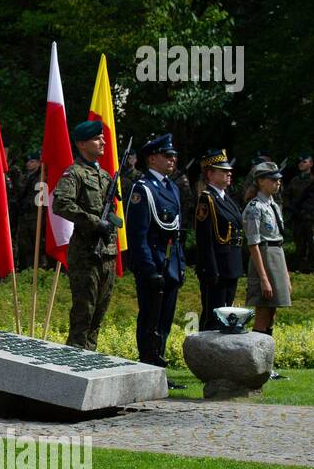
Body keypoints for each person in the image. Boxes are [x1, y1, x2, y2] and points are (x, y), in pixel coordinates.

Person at [51, 121, 120, 350]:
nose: (103, 142)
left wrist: (109, 221)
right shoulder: (75, 173)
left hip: (107, 253)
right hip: (86, 255)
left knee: (99, 314)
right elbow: (61, 204)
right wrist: (94, 222)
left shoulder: (105, 175)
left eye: (102, 137)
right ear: (81, 144)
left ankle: (90, 359)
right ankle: (75, 363)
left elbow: (112, 210)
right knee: (83, 315)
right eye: (97, 138)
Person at [125, 134, 186, 385]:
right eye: (167, 155)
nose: (172, 160)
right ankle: (147, 367)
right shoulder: (143, 189)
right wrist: (148, 268)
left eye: (173, 156)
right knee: (150, 318)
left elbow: (176, 231)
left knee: (165, 320)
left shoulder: (171, 187)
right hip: (154, 264)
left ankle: (158, 367)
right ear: (152, 158)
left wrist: (179, 265)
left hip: (170, 263)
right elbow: (138, 234)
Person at [193, 149, 244, 330]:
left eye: (229, 171)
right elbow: (205, 239)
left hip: (231, 265)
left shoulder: (226, 199)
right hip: (217, 268)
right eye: (223, 171)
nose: (229, 174)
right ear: (210, 173)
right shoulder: (207, 200)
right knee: (212, 317)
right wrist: (210, 269)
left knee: (226, 315)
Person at [243, 162, 291, 336]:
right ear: (261, 181)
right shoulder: (254, 208)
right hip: (264, 257)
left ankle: (267, 352)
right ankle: (258, 353)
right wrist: (263, 278)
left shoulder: (274, 205)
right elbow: (253, 244)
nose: (277, 183)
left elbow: (279, 241)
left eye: (278, 180)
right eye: (272, 179)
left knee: (272, 311)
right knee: (263, 310)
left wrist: (285, 274)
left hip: (276, 256)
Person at [284, 153, 314, 273]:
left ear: (311, 164)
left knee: (313, 246)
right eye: (299, 162)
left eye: (304, 162)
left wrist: (309, 210)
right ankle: (302, 270)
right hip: (298, 219)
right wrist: (291, 208)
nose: (301, 164)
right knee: (300, 246)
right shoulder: (294, 180)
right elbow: (286, 197)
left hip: (310, 218)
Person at [15, 150, 46, 270]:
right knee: (24, 248)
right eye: (27, 161)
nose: (29, 164)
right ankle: (25, 271)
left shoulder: (41, 178)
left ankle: (40, 271)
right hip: (24, 218)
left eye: (32, 161)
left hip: (36, 218)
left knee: (38, 248)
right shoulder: (24, 178)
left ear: (39, 163)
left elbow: (43, 201)